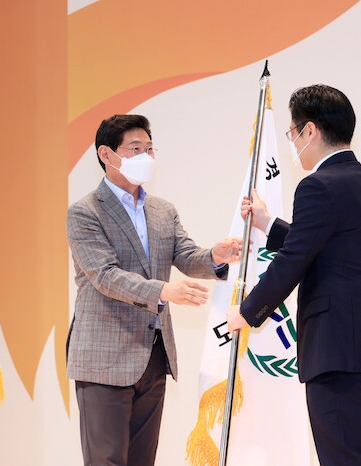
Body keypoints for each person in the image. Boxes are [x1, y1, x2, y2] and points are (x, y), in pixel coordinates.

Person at [227, 84, 361, 466]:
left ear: (310, 130)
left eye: (292, 132)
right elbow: (325, 249)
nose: (293, 143)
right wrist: (268, 223)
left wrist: (246, 311)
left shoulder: (317, 186)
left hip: (339, 351)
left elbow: (294, 261)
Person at [66, 114, 243, 466]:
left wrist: (215, 256)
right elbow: (105, 276)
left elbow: (185, 255)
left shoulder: (162, 210)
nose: (146, 156)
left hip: (153, 354)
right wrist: (164, 291)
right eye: (135, 149)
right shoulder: (85, 212)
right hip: (103, 359)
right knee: (106, 460)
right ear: (106, 154)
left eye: (149, 149)